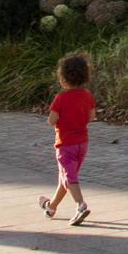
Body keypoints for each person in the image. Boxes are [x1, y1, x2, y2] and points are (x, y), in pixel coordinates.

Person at [39, 52, 94, 226]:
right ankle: (51, 206)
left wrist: (55, 119)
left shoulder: (60, 98)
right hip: (82, 143)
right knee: (67, 177)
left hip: (65, 144)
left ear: (63, 80)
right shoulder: (87, 95)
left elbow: (51, 120)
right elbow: (91, 116)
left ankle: (80, 205)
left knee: (69, 178)